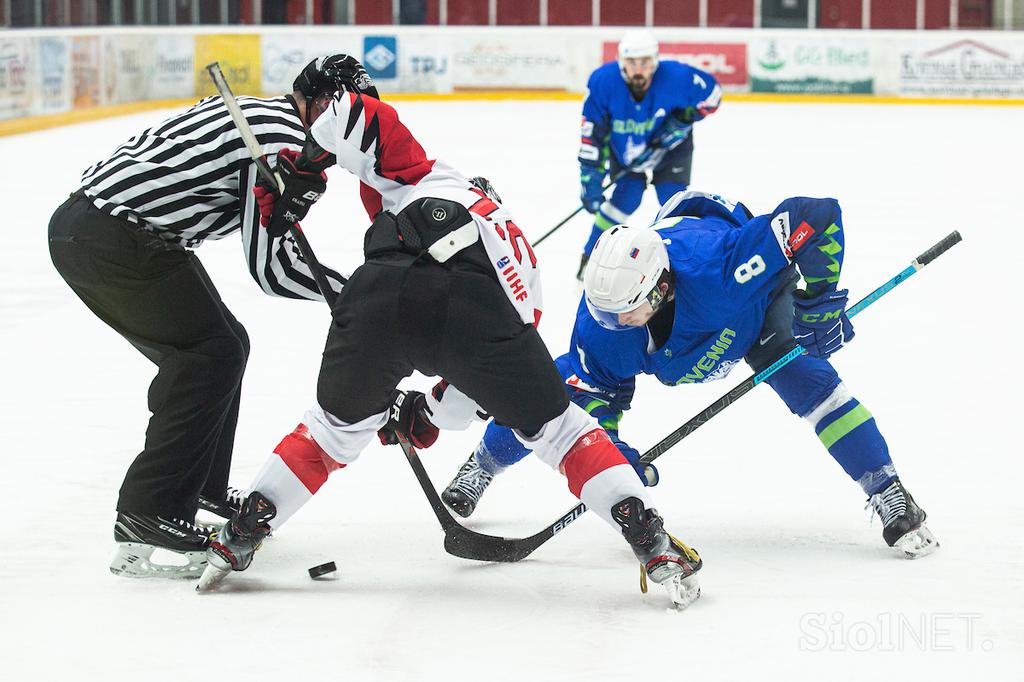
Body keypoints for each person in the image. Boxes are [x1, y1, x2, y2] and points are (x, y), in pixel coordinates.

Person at [197, 73, 704, 609]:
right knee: (560, 433)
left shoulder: (437, 177)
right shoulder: (524, 269)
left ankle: (240, 535)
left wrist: (300, 171)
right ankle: (651, 541)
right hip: (475, 312)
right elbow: (477, 384)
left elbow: (354, 114)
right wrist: (429, 414)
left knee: (329, 434)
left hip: (379, 296)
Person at [442, 189, 939, 560]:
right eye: (605, 313)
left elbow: (816, 217)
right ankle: (485, 461)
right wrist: (611, 459)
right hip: (694, 294)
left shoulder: (726, 268)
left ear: (662, 287)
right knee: (544, 396)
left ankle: (888, 490)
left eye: (625, 313)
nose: (613, 326)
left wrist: (816, 306)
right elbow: (590, 409)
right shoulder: (604, 325)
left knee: (814, 385)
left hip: (754, 308)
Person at [47, 55, 364, 579]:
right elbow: (273, 269)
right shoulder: (281, 140)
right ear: (327, 103)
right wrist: (361, 297)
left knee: (223, 345)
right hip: (112, 239)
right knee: (208, 354)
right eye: (351, 110)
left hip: (105, 230)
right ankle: (149, 510)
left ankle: (201, 492)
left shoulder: (265, 118)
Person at [576, 30, 722, 280]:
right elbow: (593, 134)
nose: (638, 69)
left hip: (670, 150)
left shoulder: (676, 77)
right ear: (622, 61)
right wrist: (590, 180)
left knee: (673, 201)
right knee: (626, 198)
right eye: (632, 62)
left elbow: (713, 95)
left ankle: (684, 263)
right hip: (625, 151)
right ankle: (591, 256)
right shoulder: (603, 82)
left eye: (645, 62)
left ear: (655, 62)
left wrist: (681, 121)